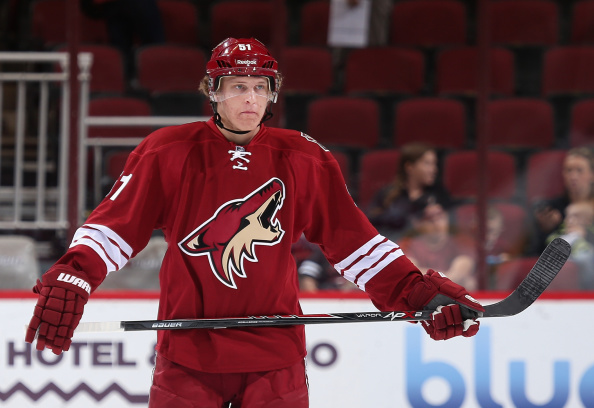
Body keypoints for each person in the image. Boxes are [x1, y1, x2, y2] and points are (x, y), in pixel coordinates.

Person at [25, 38, 483, 407]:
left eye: (260, 87)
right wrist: (74, 275)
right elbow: (114, 226)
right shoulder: (167, 150)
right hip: (188, 355)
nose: (250, 97)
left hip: (274, 357)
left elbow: (355, 242)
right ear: (213, 92)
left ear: (272, 94)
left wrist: (415, 292)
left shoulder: (304, 157)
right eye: (238, 85)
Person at [367, 143, 451, 241]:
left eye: (434, 164)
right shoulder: (387, 194)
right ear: (409, 167)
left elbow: (452, 227)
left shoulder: (439, 195)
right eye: (427, 164)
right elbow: (371, 222)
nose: (434, 170)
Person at [399, 197, 478, 291]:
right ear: (417, 223)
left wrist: (425, 276)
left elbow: (459, 273)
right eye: (430, 219)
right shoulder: (407, 244)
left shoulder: (463, 242)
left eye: (440, 216)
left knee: (470, 283)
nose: (437, 224)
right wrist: (450, 279)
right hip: (422, 300)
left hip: (453, 300)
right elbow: (410, 275)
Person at [530, 147, 594, 255]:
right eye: (568, 170)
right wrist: (547, 229)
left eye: (579, 170)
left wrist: (585, 234)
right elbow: (534, 252)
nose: (573, 176)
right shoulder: (553, 208)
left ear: (592, 175)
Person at [546, 200, 594, 289]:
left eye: (576, 216)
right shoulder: (558, 235)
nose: (570, 220)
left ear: (588, 220)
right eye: (568, 216)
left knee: (584, 258)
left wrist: (585, 235)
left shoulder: (590, 234)